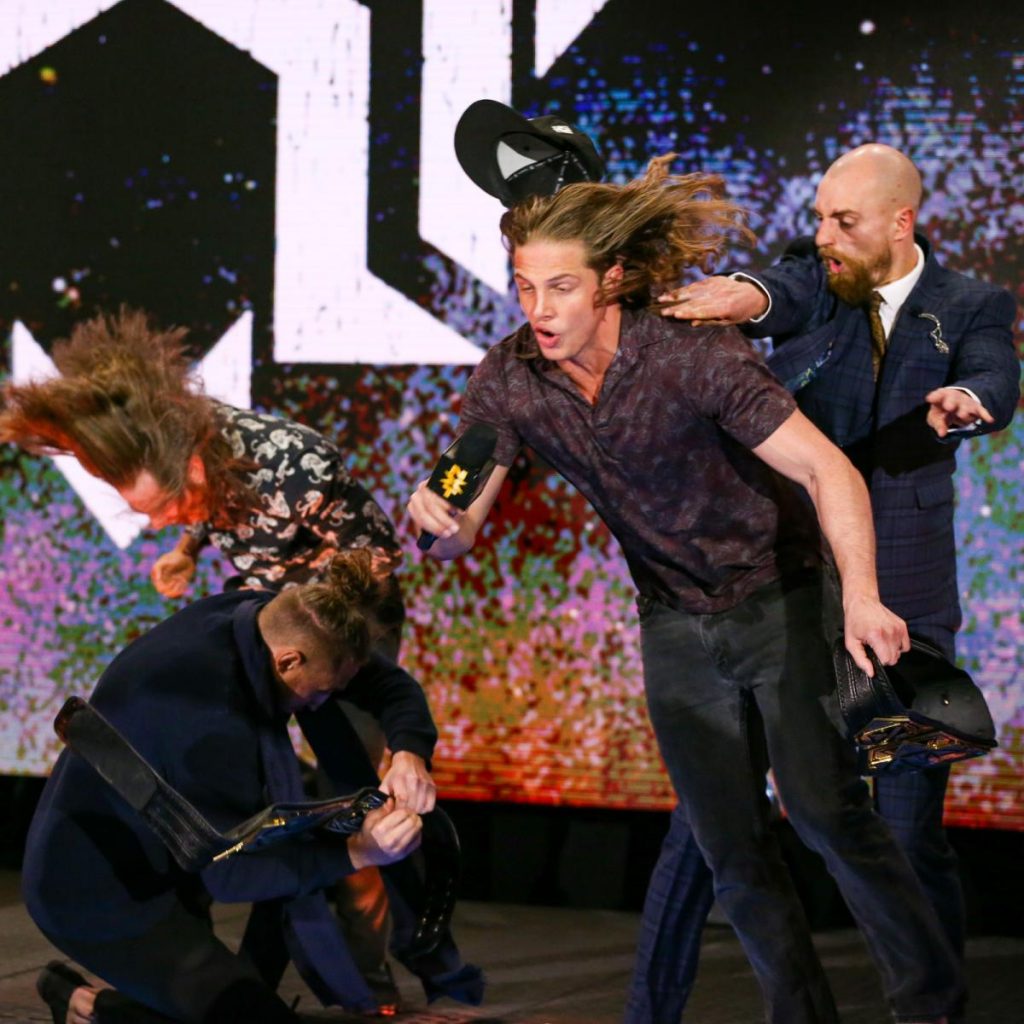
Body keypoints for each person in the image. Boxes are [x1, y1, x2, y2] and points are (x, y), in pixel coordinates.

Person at [407, 153, 964, 1023]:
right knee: (730, 849)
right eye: (524, 288)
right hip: (673, 619)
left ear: (612, 281)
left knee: (826, 816)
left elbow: (829, 474)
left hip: (779, 594)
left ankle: (931, 1005)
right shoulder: (512, 377)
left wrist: (861, 594)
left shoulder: (690, 352)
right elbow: (459, 511)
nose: (538, 311)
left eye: (560, 288)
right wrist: (437, 520)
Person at [653, 142, 1019, 1021]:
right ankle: (648, 1009)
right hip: (789, 595)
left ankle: (931, 1010)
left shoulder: (969, 303)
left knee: (904, 833)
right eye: (818, 217)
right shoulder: (822, 279)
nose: (824, 236)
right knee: (707, 828)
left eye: (843, 222)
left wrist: (974, 400)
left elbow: (997, 372)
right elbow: (778, 289)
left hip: (905, 603)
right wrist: (743, 295)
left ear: (902, 223)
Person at [0, 309, 407, 1011]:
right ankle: (252, 987)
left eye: (166, 509)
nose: (156, 520)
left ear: (194, 464)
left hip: (328, 639)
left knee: (350, 821)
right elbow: (208, 509)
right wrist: (184, 549)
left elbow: (373, 571)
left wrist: (319, 648)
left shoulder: (297, 467)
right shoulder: (184, 440)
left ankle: (368, 995)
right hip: (267, 645)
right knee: (265, 828)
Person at [23, 549, 481, 1024]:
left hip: (168, 849)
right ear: (288, 662)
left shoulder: (267, 614)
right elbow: (233, 874)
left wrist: (409, 753)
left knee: (222, 998)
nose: (322, 704)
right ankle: (85, 1003)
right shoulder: (214, 726)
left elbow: (390, 688)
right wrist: (360, 852)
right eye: (321, 693)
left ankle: (88, 1001)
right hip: (94, 890)